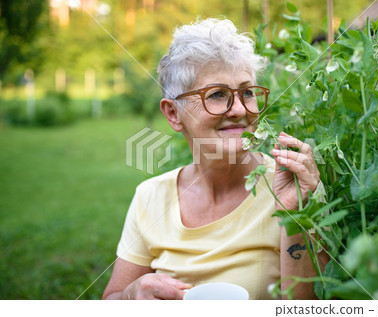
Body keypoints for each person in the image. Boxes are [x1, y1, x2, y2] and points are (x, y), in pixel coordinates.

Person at [103, 18, 328, 300]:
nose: (238, 109)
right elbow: (110, 300)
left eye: (247, 92)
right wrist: (131, 295)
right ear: (173, 113)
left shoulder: (294, 188)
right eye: (218, 94)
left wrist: (294, 216)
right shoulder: (150, 197)